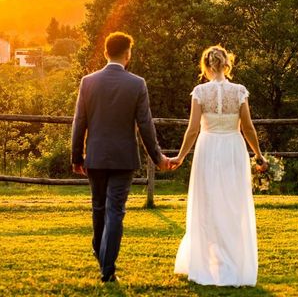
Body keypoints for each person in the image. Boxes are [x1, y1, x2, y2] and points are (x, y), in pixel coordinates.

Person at [71, 31, 170, 283]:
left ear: (106, 53)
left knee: (98, 207)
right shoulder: (137, 84)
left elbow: (79, 122)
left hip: (95, 157)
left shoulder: (88, 82)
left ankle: (100, 252)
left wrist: (76, 157)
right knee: (115, 210)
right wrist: (157, 157)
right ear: (128, 54)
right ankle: (107, 266)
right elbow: (145, 125)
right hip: (124, 158)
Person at [170, 45, 268, 286]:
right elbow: (248, 127)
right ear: (227, 64)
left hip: (208, 149)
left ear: (206, 66)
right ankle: (232, 263)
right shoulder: (240, 91)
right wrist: (258, 155)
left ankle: (208, 263)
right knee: (233, 206)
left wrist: (181, 156)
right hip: (233, 150)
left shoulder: (200, 92)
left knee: (208, 204)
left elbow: (193, 129)